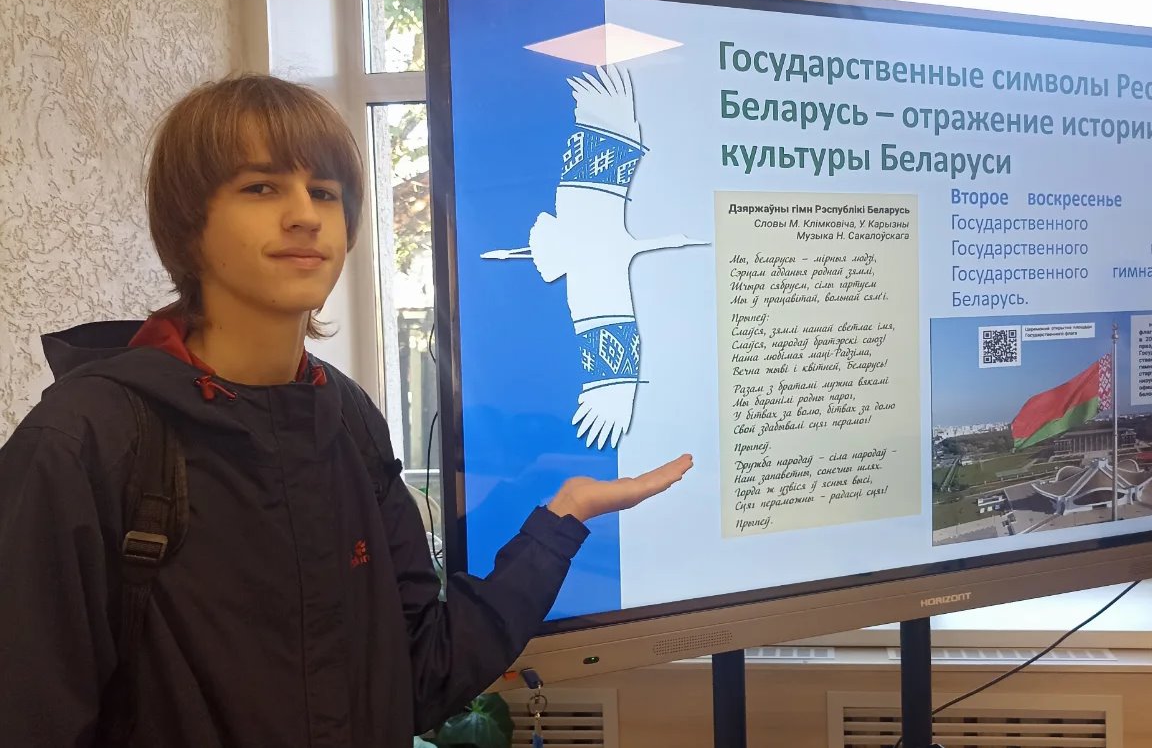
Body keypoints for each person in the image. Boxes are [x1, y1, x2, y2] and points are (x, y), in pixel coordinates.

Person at [0, 74, 691, 747]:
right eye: (261, 186)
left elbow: (421, 673)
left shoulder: (347, 420)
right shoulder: (85, 444)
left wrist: (560, 521)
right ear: (189, 224)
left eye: (325, 192)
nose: (305, 214)